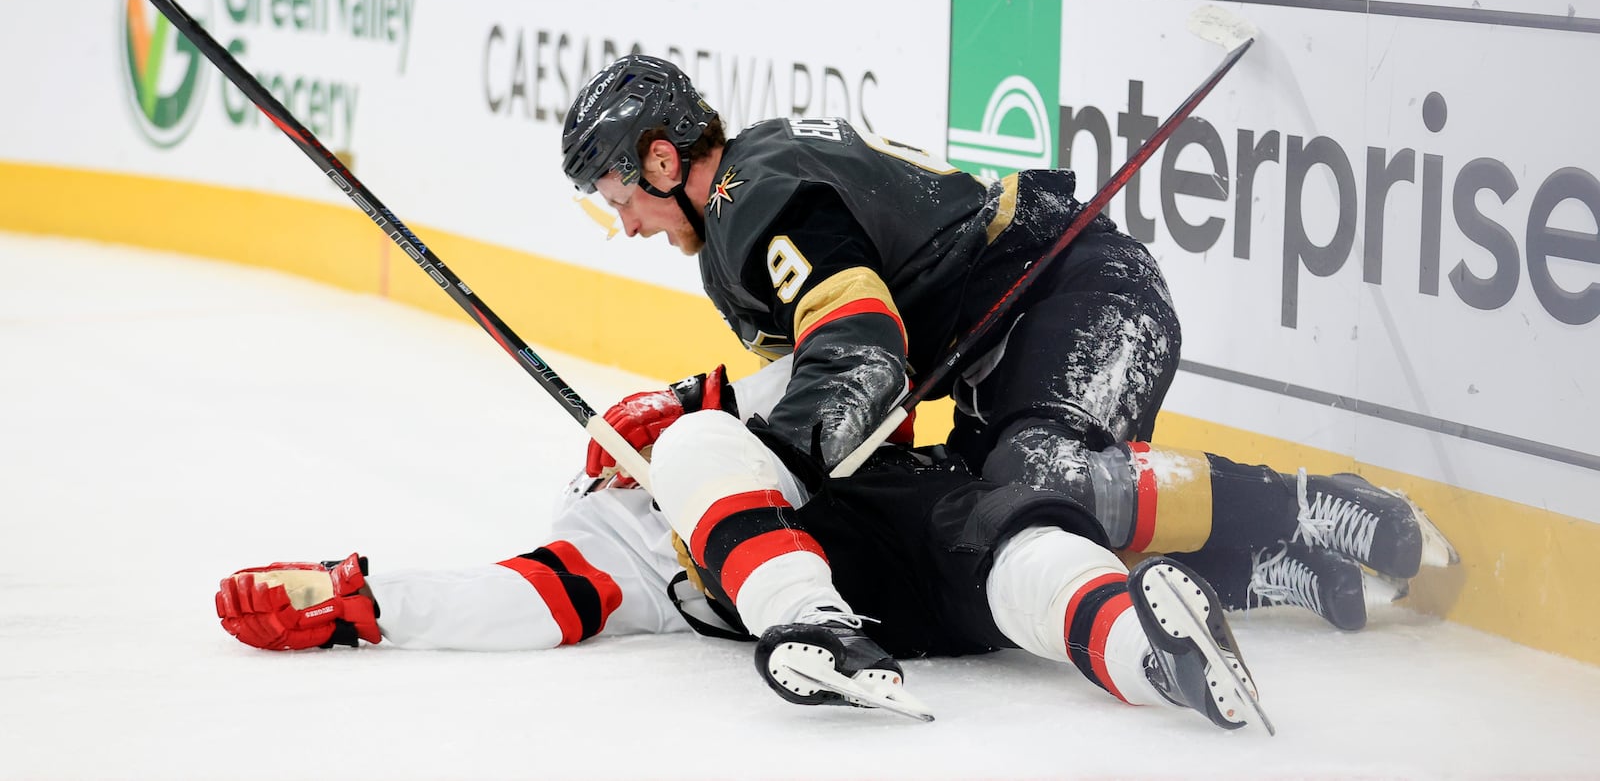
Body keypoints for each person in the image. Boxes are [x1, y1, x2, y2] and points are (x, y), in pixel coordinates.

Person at [558, 54, 1457, 635]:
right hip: (1013, 335)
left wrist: (769, 478)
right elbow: (847, 378)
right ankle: (1262, 562)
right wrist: (694, 404)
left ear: (663, 160)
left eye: (619, 194)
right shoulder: (740, 217)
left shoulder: (751, 203)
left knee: (1044, 480)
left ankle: (1304, 502)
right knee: (1001, 522)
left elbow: (861, 351)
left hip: (1075, 290)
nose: (626, 223)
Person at [217, 405, 1270, 730]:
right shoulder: (608, 536)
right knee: (1020, 565)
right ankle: (818, 626)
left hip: (895, 528)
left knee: (1033, 560)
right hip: (867, 586)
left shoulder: (728, 427)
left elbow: (845, 391)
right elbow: (511, 597)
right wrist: (356, 598)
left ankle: (1161, 657)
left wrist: (686, 393)